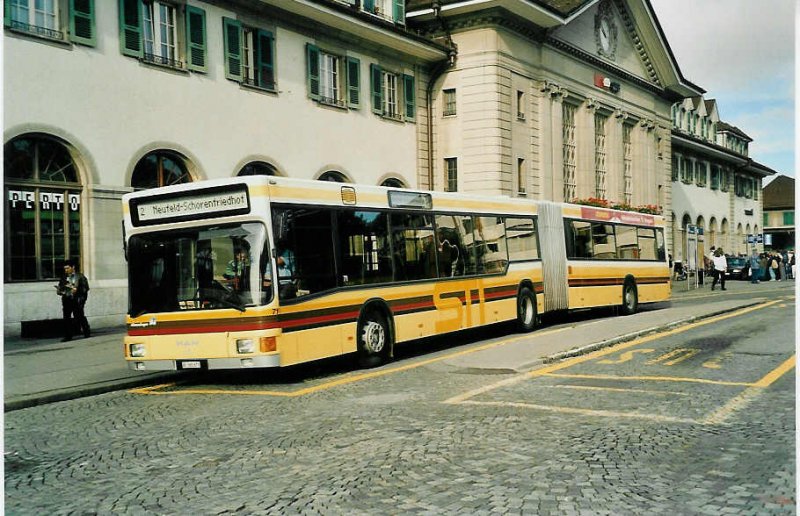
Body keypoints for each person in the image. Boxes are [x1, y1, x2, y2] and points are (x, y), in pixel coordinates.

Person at [56, 260, 90, 342]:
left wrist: (77, 291)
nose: (66, 270)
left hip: (77, 300)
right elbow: (60, 287)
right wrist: (60, 291)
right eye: (65, 269)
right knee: (66, 318)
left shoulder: (80, 276)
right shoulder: (64, 277)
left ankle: (86, 332)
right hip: (67, 299)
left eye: (67, 268)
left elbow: (86, 288)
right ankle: (68, 336)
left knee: (79, 316)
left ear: (73, 267)